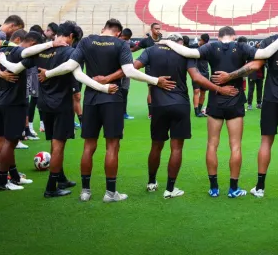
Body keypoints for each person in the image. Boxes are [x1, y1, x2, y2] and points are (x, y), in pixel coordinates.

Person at [36, 19, 176, 202]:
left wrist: (48, 73)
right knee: (112, 146)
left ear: (103, 29)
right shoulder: (120, 44)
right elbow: (130, 71)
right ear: (118, 33)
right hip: (113, 97)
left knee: (88, 146)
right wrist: (156, 80)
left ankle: (85, 191)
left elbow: (70, 66)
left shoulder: (86, 41)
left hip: (91, 99)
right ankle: (110, 193)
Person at [159, 26, 278, 198]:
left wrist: (166, 41)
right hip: (235, 99)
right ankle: (233, 189)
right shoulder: (242, 46)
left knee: (212, 145)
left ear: (218, 36)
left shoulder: (209, 47)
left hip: (215, 100)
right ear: (234, 35)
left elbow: (188, 53)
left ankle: (214, 188)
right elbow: (266, 53)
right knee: (235, 146)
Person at [0, 21, 119, 198]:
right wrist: (104, 88)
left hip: (43, 104)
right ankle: (51, 187)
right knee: (58, 146)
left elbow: (16, 68)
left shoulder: (40, 50)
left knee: (54, 144)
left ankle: (60, 178)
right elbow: (79, 76)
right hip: (62, 104)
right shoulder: (70, 52)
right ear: (70, 37)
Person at [211, 15, 278, 199]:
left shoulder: (268, 41)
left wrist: (230, 76)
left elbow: (254, 65)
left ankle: (260, 187)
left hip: (270, 98)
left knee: (266, 141)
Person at [134, 33, 238, 199]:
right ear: (179, 42)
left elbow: (132, 67)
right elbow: (196, 77)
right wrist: (219, 89)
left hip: (159, 105)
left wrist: (154, 80)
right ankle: (170, 189)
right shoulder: (184, 52)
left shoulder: (151, 51)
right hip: (180, 104)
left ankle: (152, 182)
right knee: (176, 148)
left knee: (156, 146)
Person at [0, 31, 43, 191]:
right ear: (33, 44)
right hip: (14, 103)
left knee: (1, 139)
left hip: (1, 100)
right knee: (10, 142)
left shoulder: (5, 50)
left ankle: (13, 176)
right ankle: (3, 182)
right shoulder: (23, 54)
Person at [131, 22, 163, 119]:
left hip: (161, 68)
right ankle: (151, 113)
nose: (158, 30)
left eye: (159, 28)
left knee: (162, 89)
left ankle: (160, 110)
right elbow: (133, 49)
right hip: (150, 69)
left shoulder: (163, 40)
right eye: (156, 29)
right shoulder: (146, 41)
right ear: (152, 30)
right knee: (151, 90)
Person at [192, 34, 211, 117]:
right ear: (201, 40)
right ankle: (196, 110)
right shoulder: (193, 47)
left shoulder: (208, 48)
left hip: (205, 72)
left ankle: (199, 110)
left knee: (203, 92)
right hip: (196, 72)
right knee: (196, 91)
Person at [118, 28, 135, 120]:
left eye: (127, 39)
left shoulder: (128, 42)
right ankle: (115, 112)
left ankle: (124, 113)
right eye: (124, 38)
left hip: (127, 71)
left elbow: (136, 46)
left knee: (125, 91)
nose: (125, 40)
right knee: (116, 91)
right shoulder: (116, 42)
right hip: (117, 71)